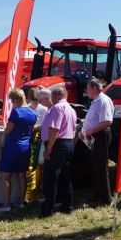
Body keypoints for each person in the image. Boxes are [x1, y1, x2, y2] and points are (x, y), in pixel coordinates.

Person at [0, 88, 37, 213]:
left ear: (17, 99)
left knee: (5, 176)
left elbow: (8, 130)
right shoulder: (33, 113)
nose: (12, 103)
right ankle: (21, 202)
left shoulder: (16, 112)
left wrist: (1, 136)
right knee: (21, 175)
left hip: (12, 147)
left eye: (12, 101)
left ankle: (6, 204)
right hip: (25, 146)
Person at [41, 86, 77, 216]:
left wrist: (49, 148)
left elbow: (54, 130)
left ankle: (48, 208)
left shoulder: (57, 108)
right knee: (65, 176)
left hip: (58, 144)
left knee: (51, 176)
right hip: (67, 143)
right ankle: (67, 205)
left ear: (55, 96)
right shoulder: (71, 109)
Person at [80, 78, 114, 206]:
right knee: (95, 166)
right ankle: (98, 195)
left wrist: (90, 131)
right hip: (95, 135)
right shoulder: (97, 100)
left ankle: (105, 199)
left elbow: (106, 122)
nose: (86, 91)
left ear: (94, 88)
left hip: (100, 135)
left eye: (88, 88)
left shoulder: (103, 100)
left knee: (100, 167)